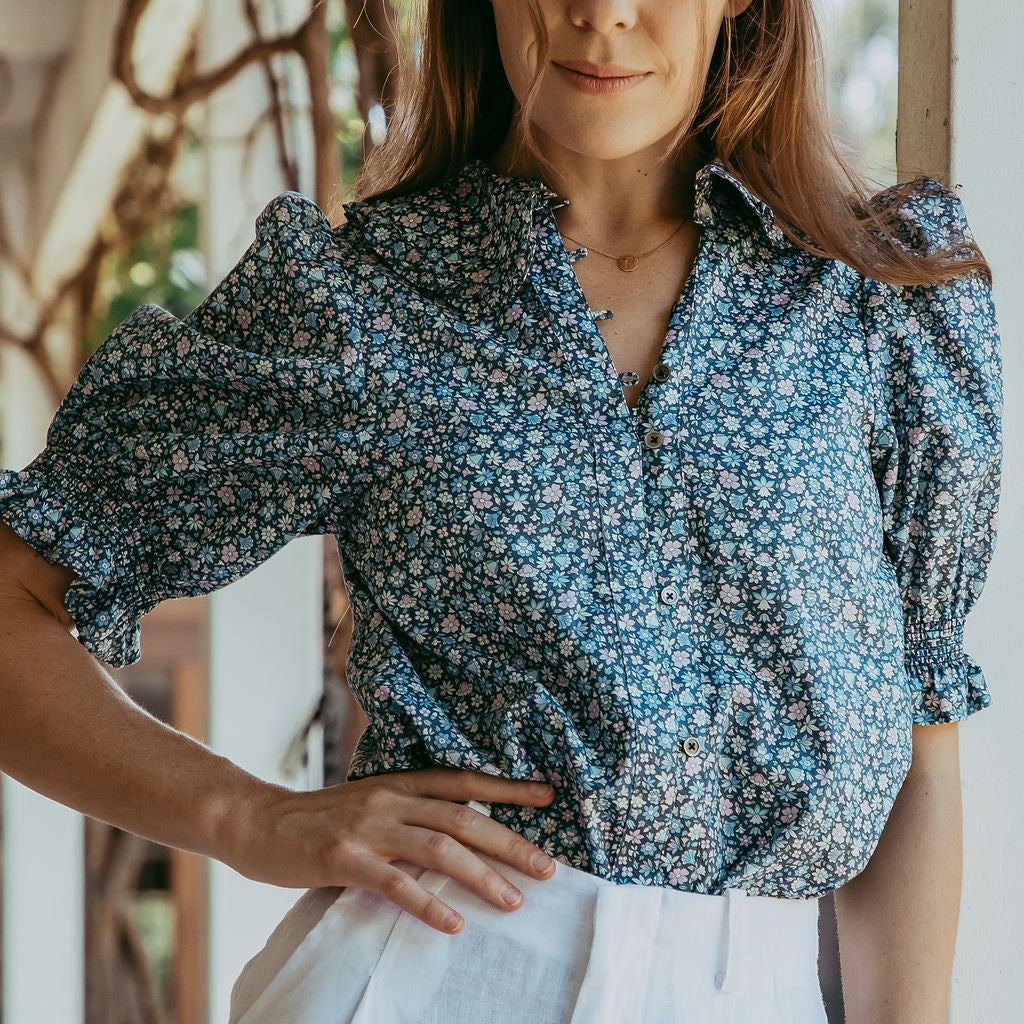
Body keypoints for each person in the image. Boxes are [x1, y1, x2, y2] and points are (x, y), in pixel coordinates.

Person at [0, 0, 1003, 1021]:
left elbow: (922, 726)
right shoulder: (364, 303)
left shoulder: (878, 298)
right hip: (437, 973)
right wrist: (244, 816)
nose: (601, 13)